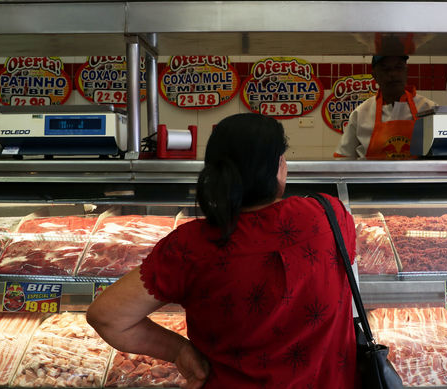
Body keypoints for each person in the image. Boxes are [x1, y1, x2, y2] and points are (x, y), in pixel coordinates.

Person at [87, 113, 358, 389]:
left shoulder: (190, 245)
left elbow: (107, 316)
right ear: (278, 167)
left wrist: (180, 351)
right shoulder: (329, 216)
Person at [335, 54, 437, 159]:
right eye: (385, 69)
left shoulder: (429, 109)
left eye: (398, 67)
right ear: (374, 75)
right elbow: (343, 159)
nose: (393, 74)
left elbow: (443, 157)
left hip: (417, 175)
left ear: (406, 71)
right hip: (373, 175)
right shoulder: (360, 114)